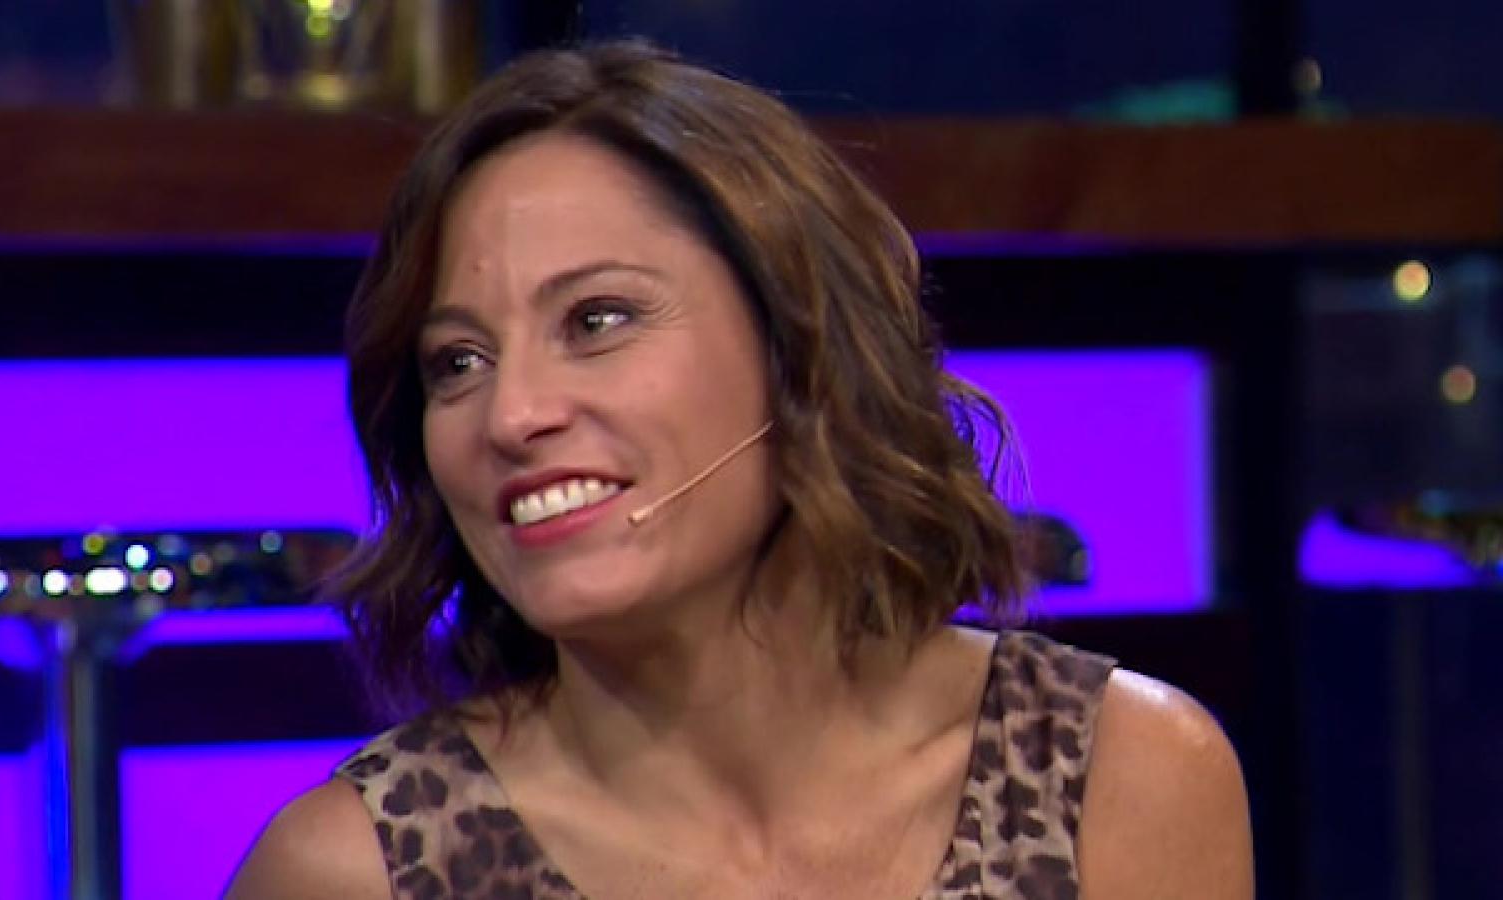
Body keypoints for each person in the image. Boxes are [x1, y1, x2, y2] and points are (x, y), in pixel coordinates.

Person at [226, 40, 1252, 900]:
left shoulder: (1115, 777)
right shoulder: (357, 870)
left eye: (597, 319)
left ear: (798, 346)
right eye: (458, 363)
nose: (512, 414)